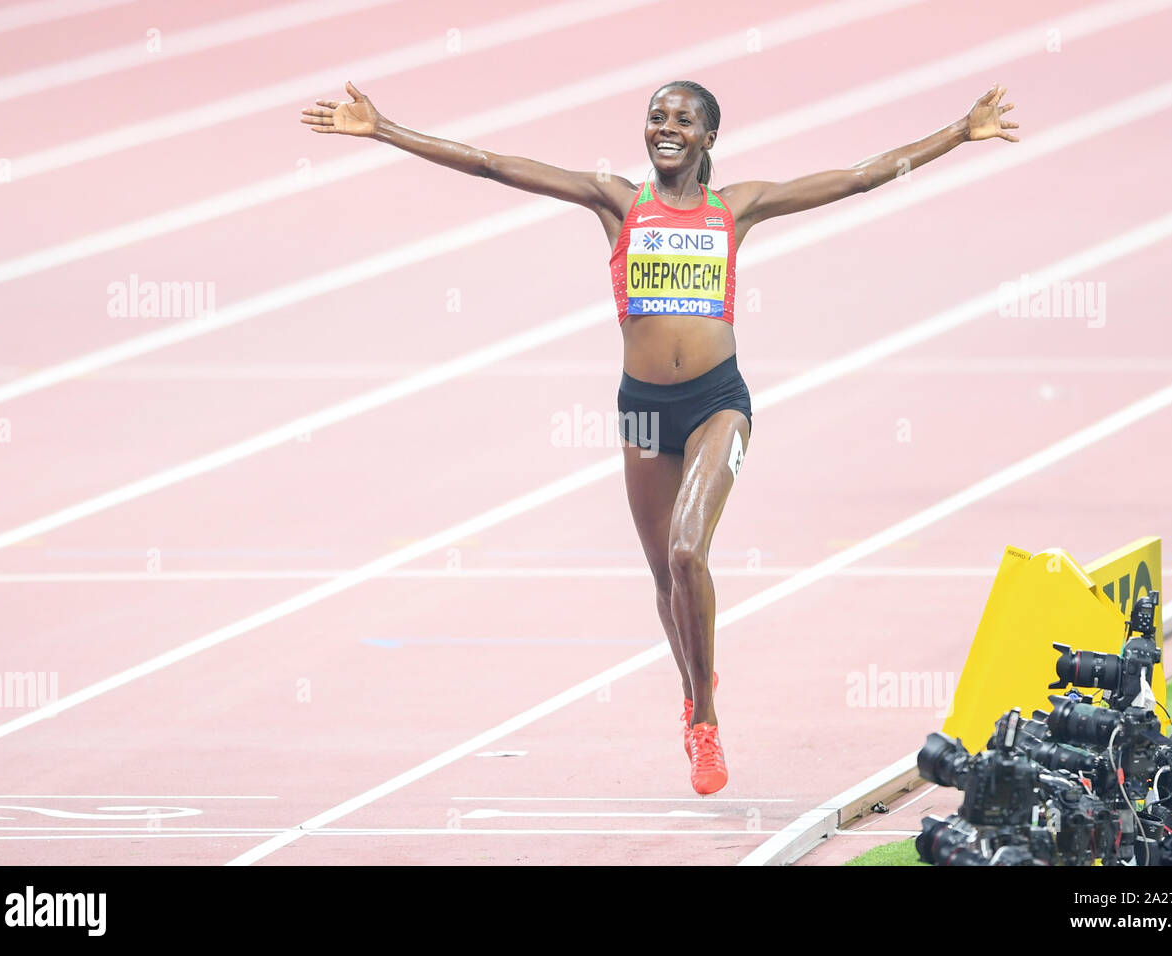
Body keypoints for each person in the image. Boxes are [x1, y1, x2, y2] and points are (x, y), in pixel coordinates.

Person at [301, 78, 1019, 794]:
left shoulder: (737, 207)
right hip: (644, 409)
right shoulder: (618, 201)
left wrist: (959, 131)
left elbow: (860, 179)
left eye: (683, 119)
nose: (665, 127)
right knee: (661, 577)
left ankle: (706, 720)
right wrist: (385, 128)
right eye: (656, 116)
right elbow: (492, 164)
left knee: (686, 552)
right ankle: (690, 688)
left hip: (717, 403)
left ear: (709, 138)